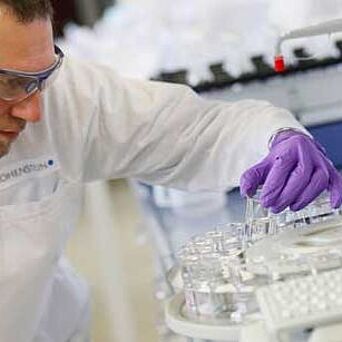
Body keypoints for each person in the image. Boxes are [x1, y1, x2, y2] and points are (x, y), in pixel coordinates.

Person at [0, 1, 341, 341]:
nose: (32, 111)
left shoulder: (64, 99)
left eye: (41, 79)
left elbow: (199, 131)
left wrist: (276, 138)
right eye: (8, 84)